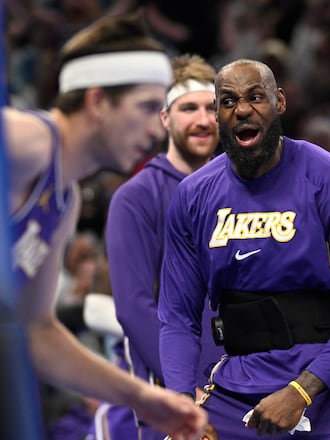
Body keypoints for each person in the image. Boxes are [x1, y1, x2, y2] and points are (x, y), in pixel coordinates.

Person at [157, 58, 330, 439]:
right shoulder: (193, 196)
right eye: (229, 101)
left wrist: (301, 391)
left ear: (280, 103)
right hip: (236, 385)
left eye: (256, 97)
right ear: (218, 114)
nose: (242, 110)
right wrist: (182, 406)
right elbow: (178, 318)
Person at [4, 11, 207, 439]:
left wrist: (141, 396)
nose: (157, 129)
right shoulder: (27, 140)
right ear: (98, 102)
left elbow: (37, 332)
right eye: (149, 108)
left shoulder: (64, 198)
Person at [98, 53, 225, 440]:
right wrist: (183, 389)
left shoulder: (245, 188)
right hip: (172, 388)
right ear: (165, 118)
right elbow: (134, 307)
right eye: (189, 108)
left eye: (211, 108)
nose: (203, 120)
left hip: (243, 380)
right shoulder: (135, 198)